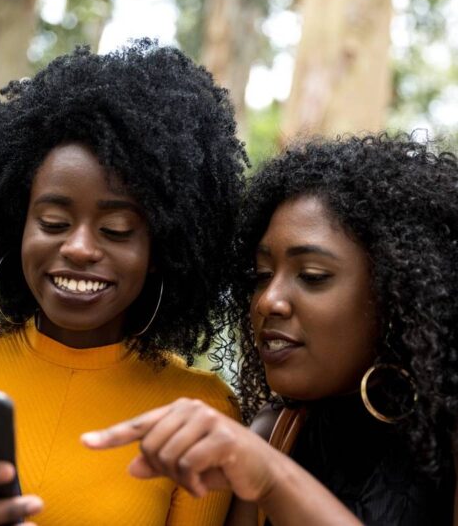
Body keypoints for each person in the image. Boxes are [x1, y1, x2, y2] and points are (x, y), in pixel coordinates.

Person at [0, 39, 247, 525]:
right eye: (54, 222)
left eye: (116, 230)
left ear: (161, 250)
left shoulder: (200, 410)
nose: (80, 248)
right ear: (16, 225)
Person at [83, 133, 458, 525]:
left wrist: (271, 479)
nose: (267, 301)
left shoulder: (446, 430)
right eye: (261, 275)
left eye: (312, 276)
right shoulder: (275, 432)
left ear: (396, 292)